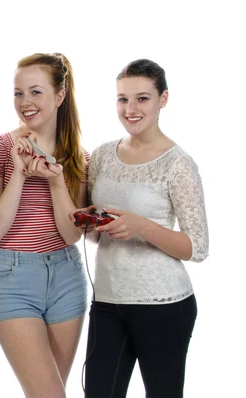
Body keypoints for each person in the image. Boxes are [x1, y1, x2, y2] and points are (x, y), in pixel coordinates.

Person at [77, 59, 209, 397]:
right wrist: (93, 221)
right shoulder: (104, 155)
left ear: (163, 99)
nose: (130, 109)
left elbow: (197, 248)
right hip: (106, 301)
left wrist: (142, 226)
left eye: (142, 98)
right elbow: (96, 235)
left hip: (163, 305)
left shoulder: (178, 164)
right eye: (122, 99)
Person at [0, 53, 89, 398]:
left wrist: (56, 182)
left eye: (35, 92)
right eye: (18, 93)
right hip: (13, 277)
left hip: (67, 276)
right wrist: (20, 173)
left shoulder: (78, 157)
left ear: (59, 96)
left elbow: (71, 233)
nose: (25, 102)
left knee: (54, 390)